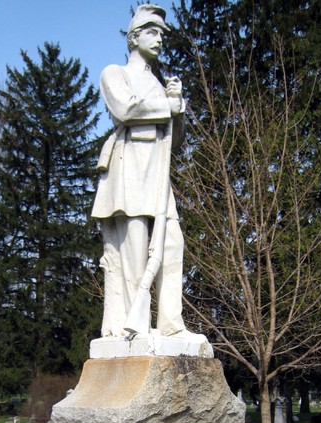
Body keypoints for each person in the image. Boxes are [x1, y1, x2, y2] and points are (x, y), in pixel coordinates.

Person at [92, 4, 200, 343]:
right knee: (134, 249)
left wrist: (178, 108)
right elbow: (125, 109)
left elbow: (175, 141)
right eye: (152, 32)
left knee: (172, 244)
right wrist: (165, 107)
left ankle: (171, 323)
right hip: (130, 167)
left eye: (162, 35)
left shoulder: (159, 84)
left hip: (158, 170)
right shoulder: (115, 73)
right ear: (134, 37)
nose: (159, 40)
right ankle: (130, 325)